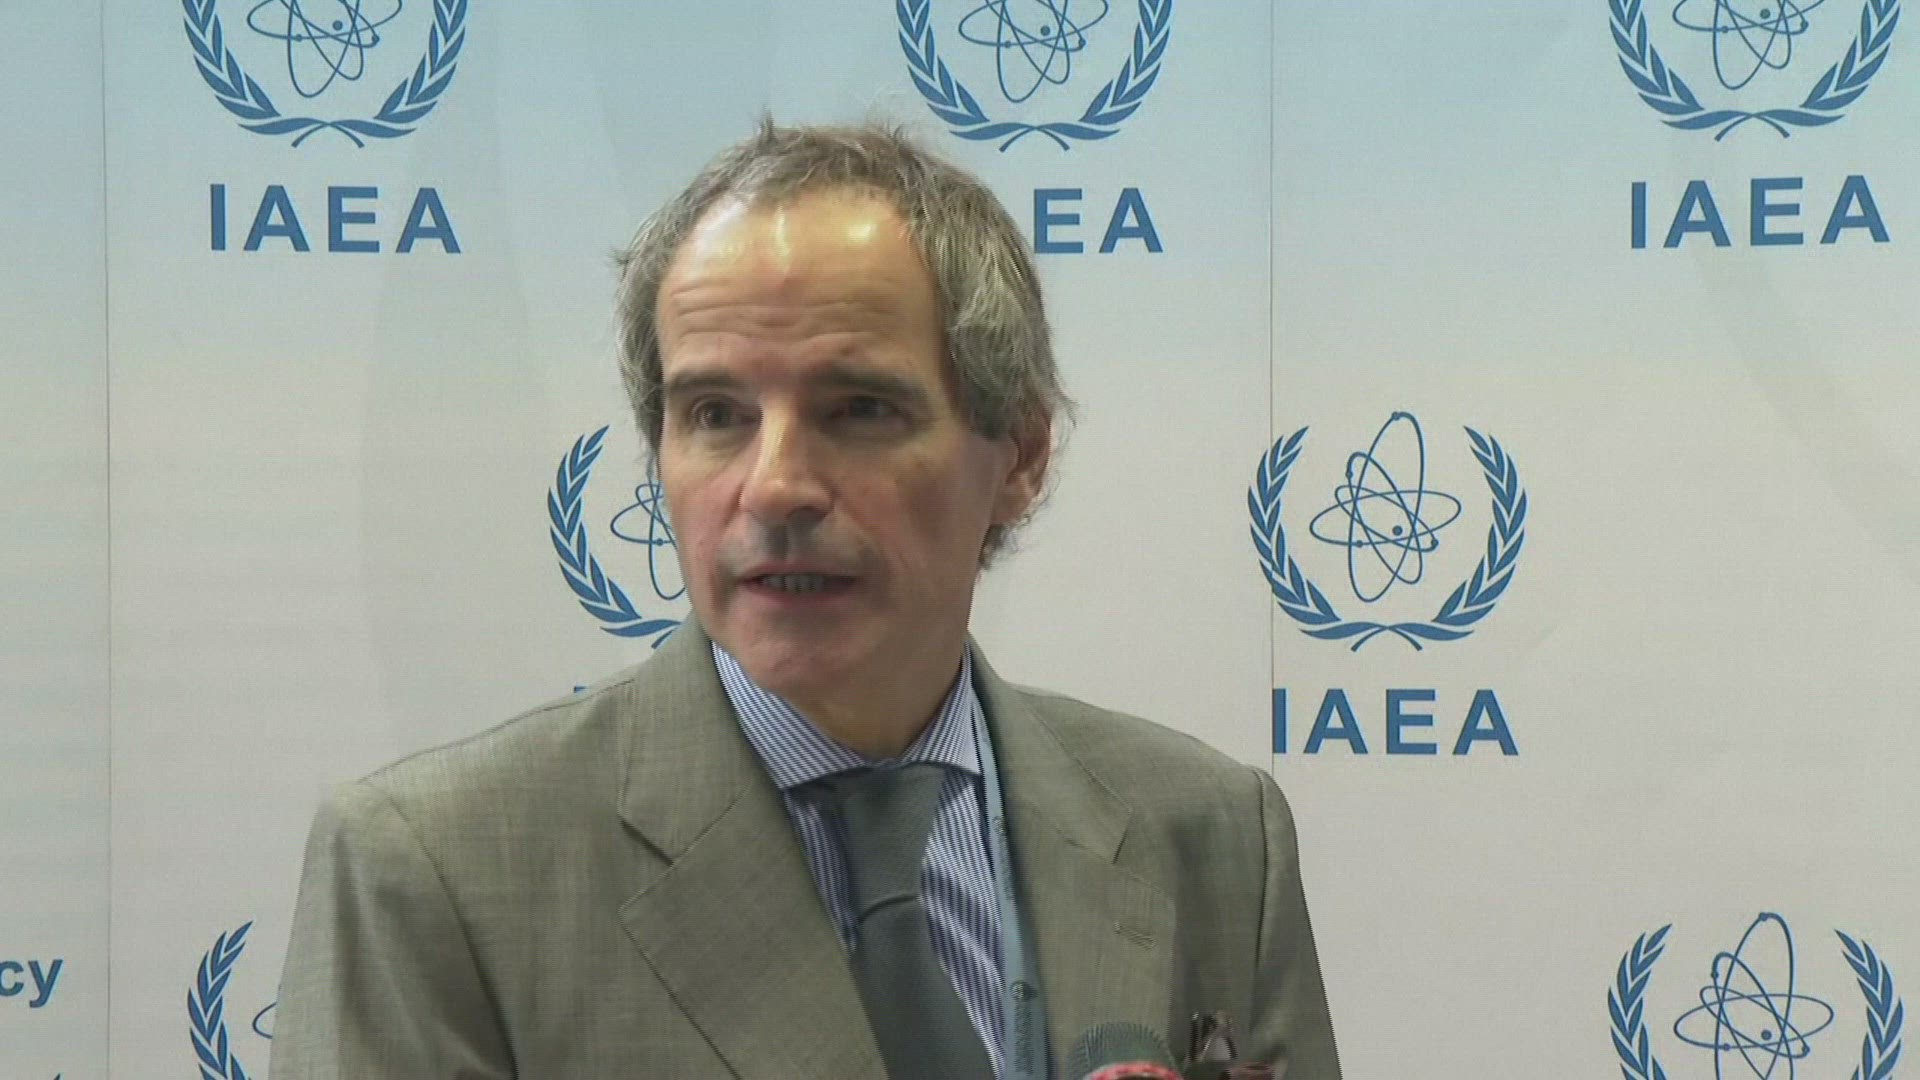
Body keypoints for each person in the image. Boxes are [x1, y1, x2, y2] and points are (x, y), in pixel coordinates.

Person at [270, 120, 1341, 1079]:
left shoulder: (1212, 837)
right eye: (716, 414)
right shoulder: (438, 873)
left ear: (1018, 455)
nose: (776, 486)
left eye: (859, 408)